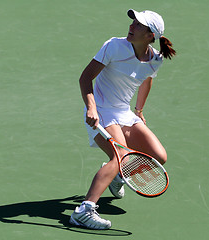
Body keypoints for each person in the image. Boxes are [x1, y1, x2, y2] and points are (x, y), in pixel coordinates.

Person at [69, 9, 176, 230]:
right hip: (102, 111)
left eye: (138, 25)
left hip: (124, 112)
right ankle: (84, 210)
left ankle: (117, 175)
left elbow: (146, 79)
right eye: (133, 22)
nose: (131, 26)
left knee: (158, 157)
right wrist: (91, 108)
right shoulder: (114, 46)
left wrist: (139, 110)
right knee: (121, 157)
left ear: (149, 36)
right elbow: (86, 77)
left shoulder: (156, 59)